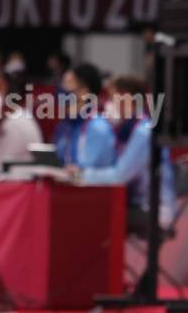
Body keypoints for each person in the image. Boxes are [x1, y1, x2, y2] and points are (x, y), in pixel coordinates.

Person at [74, 75, 177, 233]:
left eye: (112, 98)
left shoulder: (143, 133)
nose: (108, 104)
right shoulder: (127, 130)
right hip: (135, 203)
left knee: (92, 216)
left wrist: (82, 175)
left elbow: (119, 176)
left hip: (153, 210)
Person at [53, 62, 113, 169]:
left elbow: (89, 171)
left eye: (68, 84)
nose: (62, 90)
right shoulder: (64, 125)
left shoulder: (98, 127)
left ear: (85, 90)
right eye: (62, 84)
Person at [0, 72, 43, 172]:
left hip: (18, 179)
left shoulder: (15, 123)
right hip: (17, 177)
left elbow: (1, 165)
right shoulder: (19, 117)